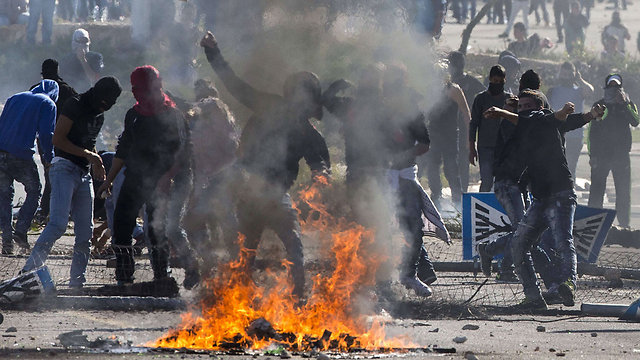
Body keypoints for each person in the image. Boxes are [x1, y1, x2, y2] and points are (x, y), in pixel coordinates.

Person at [199, 31, 331, 300]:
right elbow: (234, 84)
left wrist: (314, 191)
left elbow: (321, 169)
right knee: (248, 249)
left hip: (274, 195)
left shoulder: (309, 133)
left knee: (290, 247)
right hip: (250, 191)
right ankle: (242, 298)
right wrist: (213, 52)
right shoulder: (272, 107)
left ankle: (295, 298)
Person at [484, 90, 605, 310]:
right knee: (520, 243)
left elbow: (558, 118)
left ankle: (569, 283)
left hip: (560, 194)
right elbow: (573, 121)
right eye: (520, 107)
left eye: (527, 106)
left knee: (562, 240)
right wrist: (590, 115)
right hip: (540, 198)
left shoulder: (545, 119)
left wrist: (503, 112)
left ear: (539, 108)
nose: (523, 111)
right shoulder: (528, 128)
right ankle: (533, 297)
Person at [22, 77, 122, 288]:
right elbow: (57, 139)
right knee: (58, 224)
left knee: (85, 232)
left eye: (110, 103)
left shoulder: (99, 115)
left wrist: (98, 162)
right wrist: (88, 155)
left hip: (83, 173)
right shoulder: (75, 104)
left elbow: (90, 143)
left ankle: (77, 282)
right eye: (104, 100)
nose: (105, 106)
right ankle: (28, 272)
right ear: (96, 93)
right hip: (64, 168)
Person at [96, 66, 186, 288]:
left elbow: (182, 151)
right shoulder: (133, 115)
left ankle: (161, 276)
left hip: (161, 180)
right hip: (135, 178)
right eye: (133, 88)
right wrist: (109, 179)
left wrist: (169, 177)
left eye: (139, 87)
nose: (135, 92)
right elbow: (123, 150)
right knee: (122, 223)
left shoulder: (173, 115)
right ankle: (124, 275)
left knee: (156, 228)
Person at [383, 63, 451, 298]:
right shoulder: (376, 110)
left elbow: (424, 144)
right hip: (379, 177)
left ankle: (409, 274)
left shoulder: (412, 112)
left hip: (405, 177)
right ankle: (378, 280)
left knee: (413, 227)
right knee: (379, 228)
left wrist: (404, 156)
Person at [0, 80, 58, 255]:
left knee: (5, 196)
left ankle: (7, 243)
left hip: (0, 152)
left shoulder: (15, 97)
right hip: (21, 154)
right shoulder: (48, 103)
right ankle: (22, 229)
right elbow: (47, 134)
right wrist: (49, 158)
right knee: (35, 190)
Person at [588, 74, 639, 228]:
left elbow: (635, 121)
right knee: (596, 190)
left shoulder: (628, 104)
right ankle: (591, 224)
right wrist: (592, 155)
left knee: (623, 192)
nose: (614, 90)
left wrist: (624, 104)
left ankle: (624, 224)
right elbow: (592, 132)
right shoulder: (599, 105)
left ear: (621, 88)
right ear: (606, 88)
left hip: (621, 156)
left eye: (617, 87)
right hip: (601, 156)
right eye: (611, 87)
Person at [31, 59, 79, 224]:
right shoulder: (68, 91)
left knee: (50, 175)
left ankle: (48, 212)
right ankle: (56, 212)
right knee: (62, 175)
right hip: (65, 140)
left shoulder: (36, 90)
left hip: (45, 140)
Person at [425, 68, 470, 210]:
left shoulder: (453, 90)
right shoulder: (430, 89)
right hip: (433, 134)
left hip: (450, 135)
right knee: (432, 166)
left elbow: (465, 112)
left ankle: (458, 201)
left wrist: (470, 137)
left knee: (451, 168)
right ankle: (436, 197)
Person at [547, 62, 594, 179]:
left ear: (574, 75)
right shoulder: (553, 90)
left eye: (569, 74)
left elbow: (590, 90)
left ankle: (569, 190)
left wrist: (580, 79)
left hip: (575, 135)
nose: (566, 77)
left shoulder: (579, 91)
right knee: (554, 165)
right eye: (564, 74)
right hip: (555, 133)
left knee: (570, 166)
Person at [469, 65, 512, 192]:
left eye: (500, 81)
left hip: (504, 148)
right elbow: (474, 124)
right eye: (494, 81)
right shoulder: (481, 99)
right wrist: (472, 149)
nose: (497, 84)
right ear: (490, 80)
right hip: (485, 146)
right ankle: (482, 209)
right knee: (486, 181)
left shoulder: (509, 99)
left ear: (504, 80)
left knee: (502, 182)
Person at [448, 51, 485, 193]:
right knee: (449, 161)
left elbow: (485, 94)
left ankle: (462, 191)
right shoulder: (446, 83)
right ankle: (454, 191)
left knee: (463, 160)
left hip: (465, 125)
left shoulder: (469, 81)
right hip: (447, 126)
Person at [60, 29, 104, 93]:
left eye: (85, 41)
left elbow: (93, 78)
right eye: (80, 41)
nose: (82, 44)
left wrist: (83, 60)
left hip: (89, 93)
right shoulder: (66, 59)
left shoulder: (96, 57)